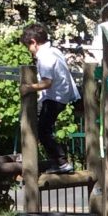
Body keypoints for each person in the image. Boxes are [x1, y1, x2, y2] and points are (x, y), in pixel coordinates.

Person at [19, 23, 79, 173]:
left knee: (43, 131)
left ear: (33, 42)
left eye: (28, 46)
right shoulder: (54, 51)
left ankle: (61, 162)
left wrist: (28, 88)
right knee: (35, 122)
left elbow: (47, 83)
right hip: (59, 96)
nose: (29, 51)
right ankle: (35, 153)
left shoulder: (44, 57)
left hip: (54, 98)